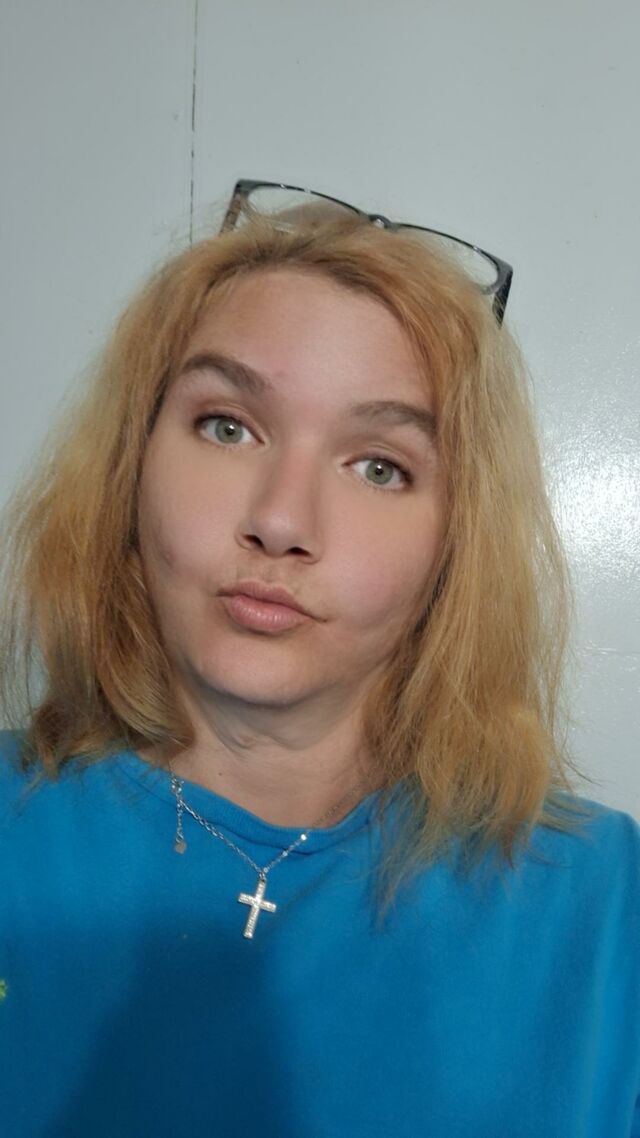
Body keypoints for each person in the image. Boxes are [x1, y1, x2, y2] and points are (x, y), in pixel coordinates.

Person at [0, 179, 638, 1137]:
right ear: (132, 464)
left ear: (456, 543)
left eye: (380, 466)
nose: (280, 520)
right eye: (228, 426)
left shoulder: (603, 904)